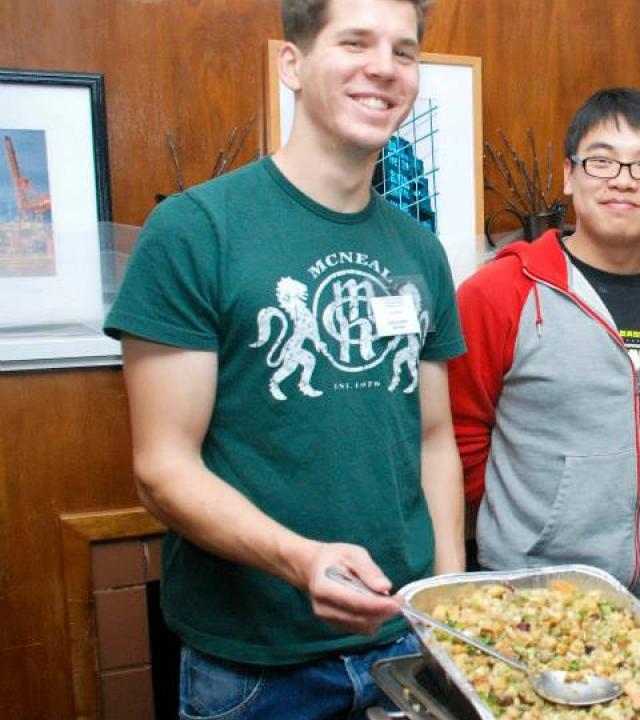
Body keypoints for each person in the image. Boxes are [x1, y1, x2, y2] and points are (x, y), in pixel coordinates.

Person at [103, 0, 466, 716]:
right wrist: (299, 560)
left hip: (406, 641)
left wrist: (444, 598)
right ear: (292, 63)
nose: (383, 69)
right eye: (355, 42)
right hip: (256, 669)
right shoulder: (196, 230)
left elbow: (433, 438)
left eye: (403, 51)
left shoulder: (421, 250)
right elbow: (162, 467)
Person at [448, 88, 640, 610]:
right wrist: (526, 526)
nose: (624, 179)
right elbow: (456, 435)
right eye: (602, 160)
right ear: (569, 175)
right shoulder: (501, 292)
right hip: (536, 596)